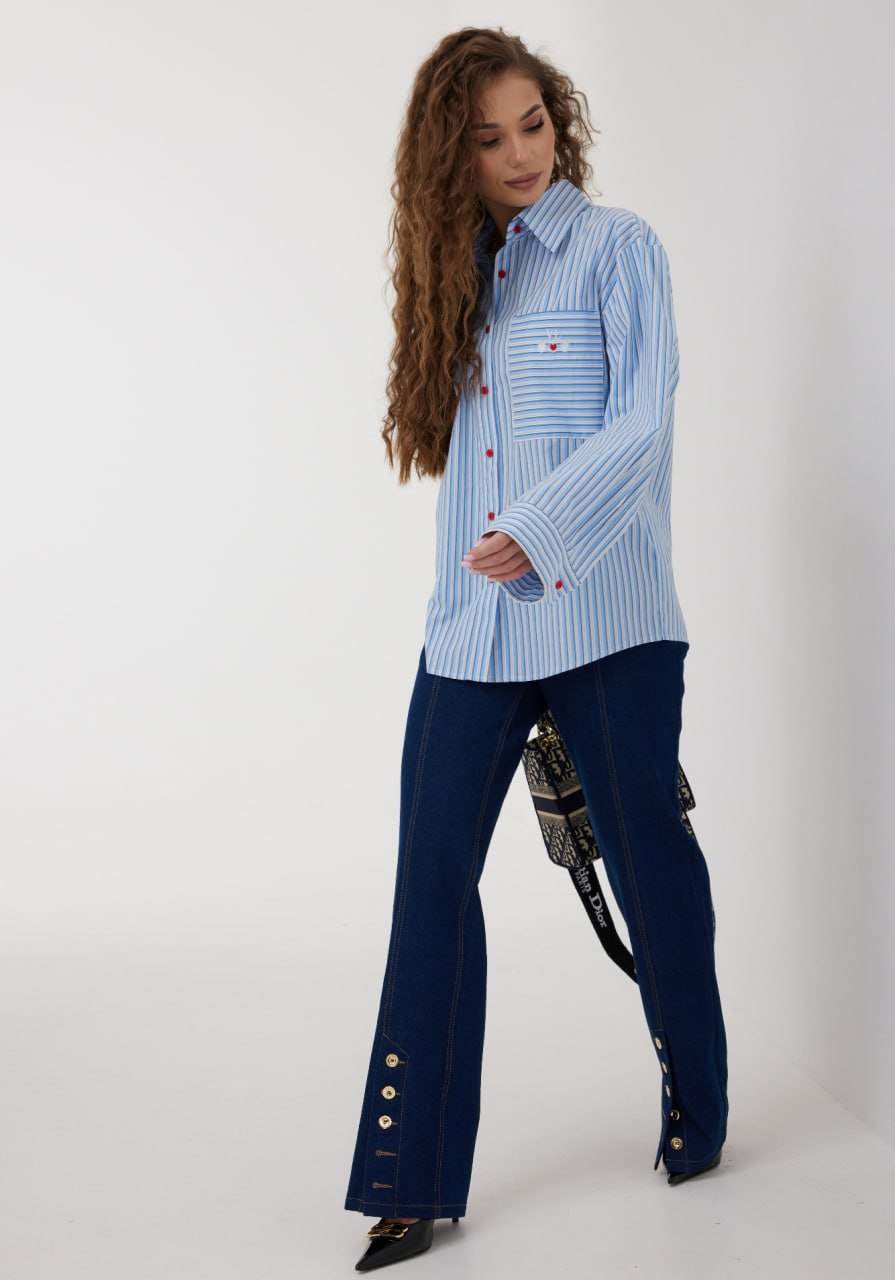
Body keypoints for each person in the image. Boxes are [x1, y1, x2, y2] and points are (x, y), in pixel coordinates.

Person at [344, 25, 728, 1273]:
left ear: (559, 120)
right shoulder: (453, 276)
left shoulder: (619, 249)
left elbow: (642, 419)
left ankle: (697, 1106)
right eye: (488, 137)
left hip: (609, 614)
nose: (520, 153)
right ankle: (406, 1179)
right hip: (472, 630)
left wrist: (539, 528)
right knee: (428, 880)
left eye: (534, 124)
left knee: (649, 863)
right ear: (447, 155)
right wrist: (492, 552)